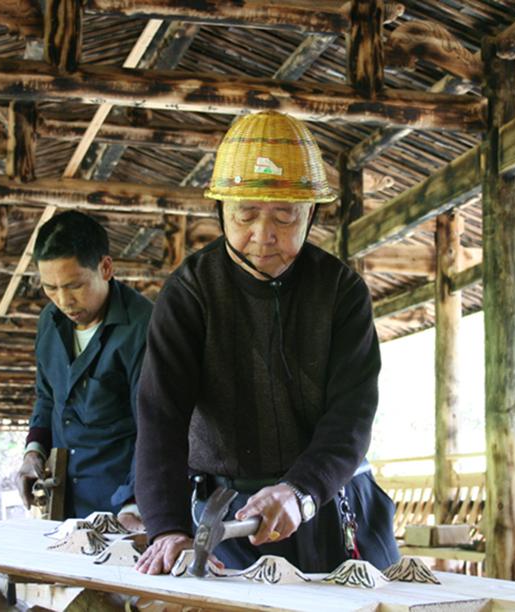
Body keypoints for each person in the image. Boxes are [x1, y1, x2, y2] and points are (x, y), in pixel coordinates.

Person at [133, 111, 399, 575]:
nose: (264, 235)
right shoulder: (190, 292)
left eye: (284, 215)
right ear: (221, 211)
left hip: (331, 497)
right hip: (230, 514)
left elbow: (352, 415)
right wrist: (168, 526)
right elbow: (161, 416)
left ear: (310, 213)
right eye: (246, 214)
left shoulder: (341, 291)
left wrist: (303, 490)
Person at [16, 210, 153, 521]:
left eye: (74, 285)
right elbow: (47, 397)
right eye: (50, 288)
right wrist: (33, 452)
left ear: (105, 268)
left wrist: (135, 502)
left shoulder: (144, 328)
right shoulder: (50, 323)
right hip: (66, 501)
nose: (63, 301)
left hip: (126, 506)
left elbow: (155, 427)